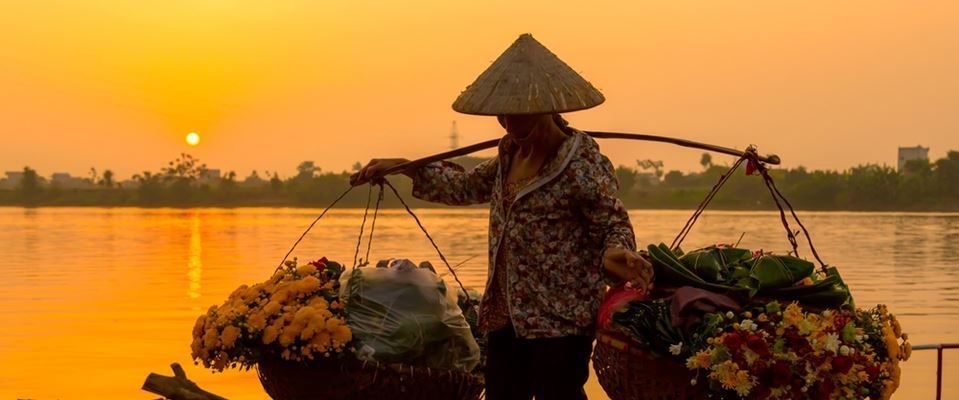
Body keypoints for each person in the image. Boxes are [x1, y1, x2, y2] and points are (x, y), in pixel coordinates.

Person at [351, 34, 652, 400]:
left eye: (516, 114)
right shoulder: (509, 155)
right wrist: (405, 167)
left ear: (543, 108)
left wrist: (617, 252)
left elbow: (612, 222)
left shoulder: (581, 163)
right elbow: (463, 187)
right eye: (501, 115)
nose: (507, 123)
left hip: (559, 318)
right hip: (506, 313)